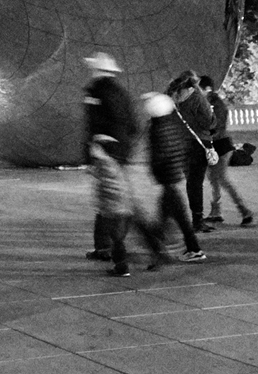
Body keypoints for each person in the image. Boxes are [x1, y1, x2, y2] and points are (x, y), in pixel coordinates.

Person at [82, 54, 151, 274]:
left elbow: (91, 126)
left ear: (97, 71)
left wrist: (89, 158)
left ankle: (118, 258)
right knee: (117, 202)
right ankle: (106, 247)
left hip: (105, 154)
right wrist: (126, 150)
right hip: (122, 154)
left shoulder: (94, 92)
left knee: (111, 205)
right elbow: (134, 126)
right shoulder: (122, 93)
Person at [140, 89, 207, 262]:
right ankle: (163, 245)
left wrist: (155, 170)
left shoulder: (158, 128)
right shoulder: (173, 124)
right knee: (173, 214)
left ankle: (172, 248)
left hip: (167, 176)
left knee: (178, 217)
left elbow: (159, 154)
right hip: (173, 175)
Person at [198, 74, 254, 227]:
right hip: (212, 146)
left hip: (221, 146)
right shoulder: (205, 102)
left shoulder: (217, 105)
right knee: (213, 179)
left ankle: (244, 210)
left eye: (199, 88)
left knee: (221, 179)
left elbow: (217, 127)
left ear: (207, 89)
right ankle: (216, 212)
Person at [169, 73, 214, 235]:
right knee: (197, 183)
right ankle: (198, 220)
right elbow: (208, 122)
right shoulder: (196, 97)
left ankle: (195, 217)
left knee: (190, 182)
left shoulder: (172, 98)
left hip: (181, 145)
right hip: (199, 143)